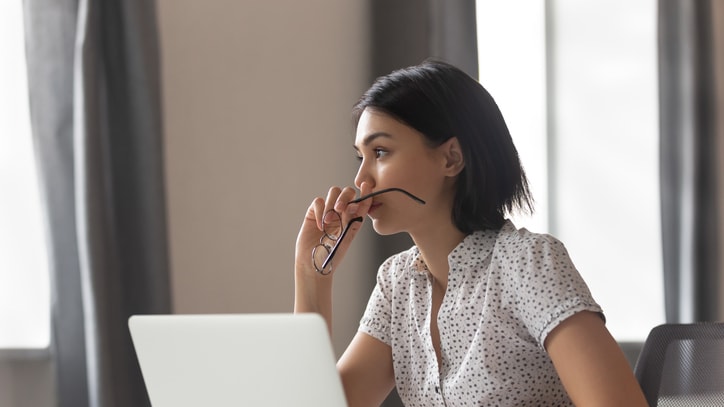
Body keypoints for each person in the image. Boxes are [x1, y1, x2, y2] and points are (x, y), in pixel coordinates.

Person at [294, 60, 647, 406]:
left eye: (381, 152)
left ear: (451, 158)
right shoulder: (397, 285)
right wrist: (312, 275)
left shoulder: (527, 264)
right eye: (361, 157)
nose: (361, 181)